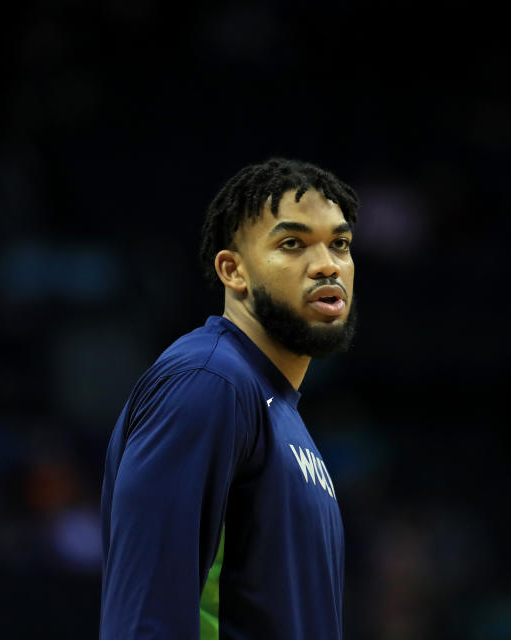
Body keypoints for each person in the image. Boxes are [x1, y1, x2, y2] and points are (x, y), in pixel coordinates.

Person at [99, 157, 360, 639]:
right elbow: (143, 621)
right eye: (292, 243)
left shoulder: (274, 408)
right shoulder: (208, 382)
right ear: (233, 271)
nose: (327, 265)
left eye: (339, 244)